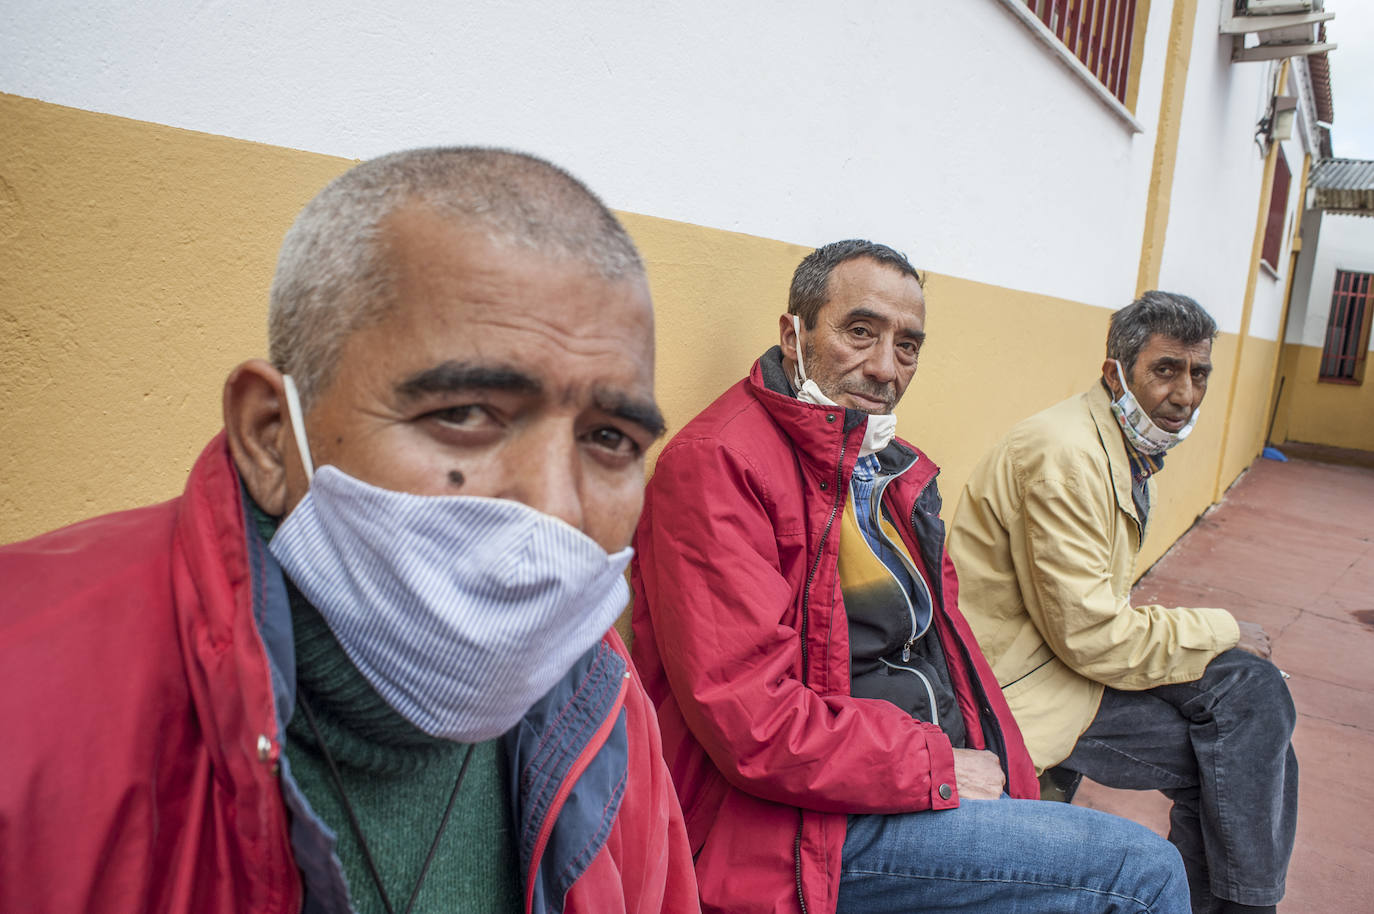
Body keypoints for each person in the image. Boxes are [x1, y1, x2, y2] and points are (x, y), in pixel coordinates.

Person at [0, 148, 699, 914]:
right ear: (271, 438)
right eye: (464, 414)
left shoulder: (600, 710)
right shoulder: (26, 690)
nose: (558, 509)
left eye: (609, 439)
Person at [630, 239, 1192, 914]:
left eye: (907, 345)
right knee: (1143, 874)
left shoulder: (885, 468)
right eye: (859, 332)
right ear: (794, 335)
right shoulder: (718, 465)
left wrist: (1001, 773)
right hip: (802, 827)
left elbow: (947, 653)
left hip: (904, 779)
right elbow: (754, 722)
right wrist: (936, 767)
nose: (884, 367)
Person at [947, 291, 1298, 914]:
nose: (1185, 394)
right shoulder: (1065, 457)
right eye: (1166, 370)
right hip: (1025, 685)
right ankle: (1246, 907)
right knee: (1244, 753)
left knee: (1256, 706)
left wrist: (1217, 637)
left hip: (1064, 659)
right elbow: (1089, 636)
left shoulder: (1118, 446)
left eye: (1199, 373)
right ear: (1116, 374)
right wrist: (1221, 628)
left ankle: (1237, 905)